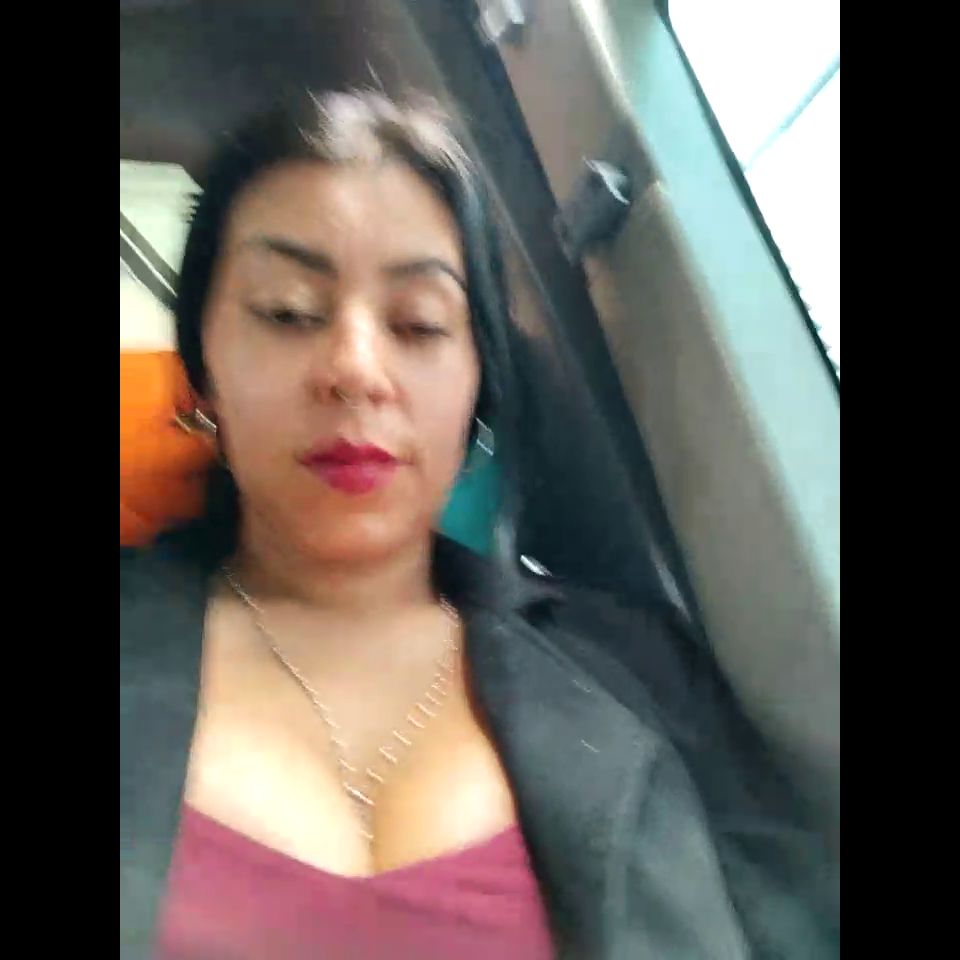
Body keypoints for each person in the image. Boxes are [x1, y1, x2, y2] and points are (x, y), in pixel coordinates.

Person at [120, 89, 838, 960]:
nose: (356, 368)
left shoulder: (638, 670)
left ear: (477, 386)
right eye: (289, 312)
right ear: (203, 370)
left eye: (419, 324)